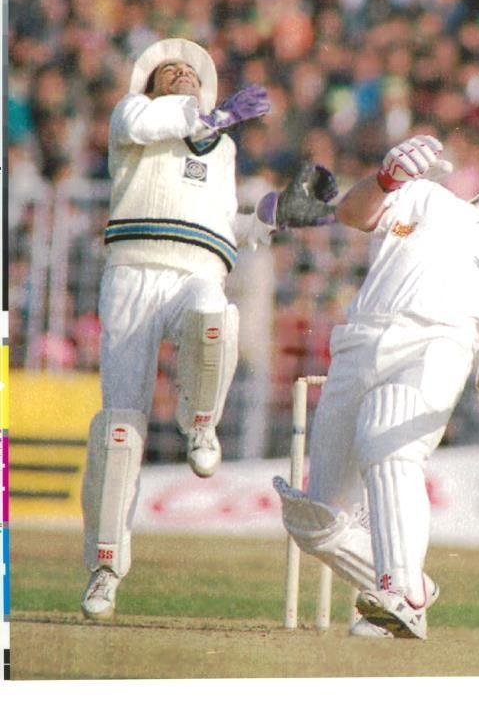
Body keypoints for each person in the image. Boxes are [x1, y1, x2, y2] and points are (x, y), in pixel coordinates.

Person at [274, 131, 479, 640]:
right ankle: (408, 580)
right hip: (360, 341)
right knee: (314, 520)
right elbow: (354, 214)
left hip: (441, 348)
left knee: (388, 443)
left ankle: (404, 594)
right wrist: (386, 177)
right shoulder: (428, 196)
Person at [81, 37, 336, 621]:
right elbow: (149, 125)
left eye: (192, 74)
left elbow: (225, 227)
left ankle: (201, 424)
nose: (183, 78)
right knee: (120, 429)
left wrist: (270, 217)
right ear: (151, 84)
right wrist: (210, 113)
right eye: (171, 72)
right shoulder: (134, 116)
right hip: (133, 271)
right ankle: (104, 567)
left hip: (198, 269)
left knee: (217, 317)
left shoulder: (221, 151)